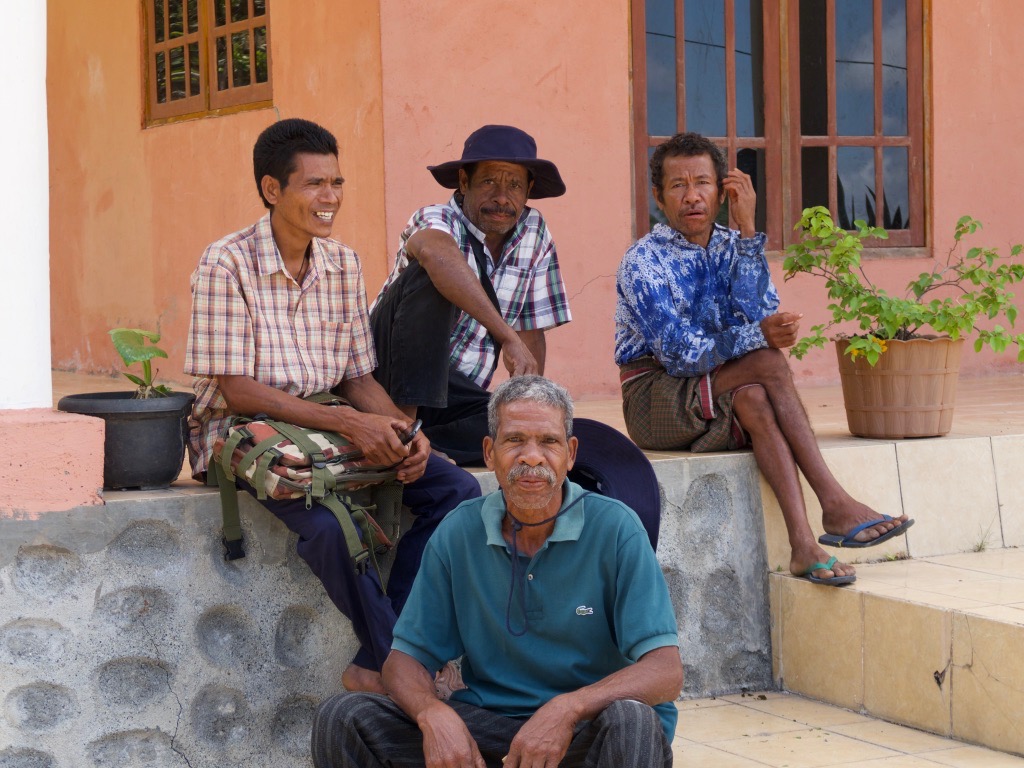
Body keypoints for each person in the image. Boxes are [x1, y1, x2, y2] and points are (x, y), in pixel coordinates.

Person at [185, 118, 480, 694]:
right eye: (315, 184)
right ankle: (401, 664)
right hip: (244, 431)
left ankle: (380, 661)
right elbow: (237, 390)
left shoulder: (342, 263)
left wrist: (401, 429)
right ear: (272, 189)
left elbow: (356, 376)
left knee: (458, 491)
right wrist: (349, 422)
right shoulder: (225, 263)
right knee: (326, 527)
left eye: (337, 182)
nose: (331, 197)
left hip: (321, 422)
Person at [312, 376, 682, 768]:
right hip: (489, 727)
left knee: (632, 721)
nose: (532, 457)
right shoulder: (459, 531)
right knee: (344, 718)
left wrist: (568, 708)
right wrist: (431, 713)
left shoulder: (617, 528)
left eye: (549, 441)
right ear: (489, 453)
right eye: (514, 440)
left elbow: (665, 671)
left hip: (583, 732)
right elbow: (403, 662)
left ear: (570, 453)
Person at [614, 132, 913, 587]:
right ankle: (833, 500)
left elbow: (761, 310)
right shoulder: (643, 260)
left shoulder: (733, 244)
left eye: (702, 183)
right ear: (659, 197)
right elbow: (678, 355)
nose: (692, 196)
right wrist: (759, 335)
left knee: (755, 396)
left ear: (722, 192)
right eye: (677, 185)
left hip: (722, 386)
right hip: (654, 399)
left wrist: (748, 231)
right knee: (767, 364)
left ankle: (804, 546)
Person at [370, 125, 572, 465]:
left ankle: (422, 443)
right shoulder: (436, 218)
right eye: (489, 181)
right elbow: (434, 253)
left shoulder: (534, 232)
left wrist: (531, 408)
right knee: (431, 273)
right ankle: (404, 432)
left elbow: (529, 332)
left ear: (528, 190)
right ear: (464, 182)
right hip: (386, 377)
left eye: (514, 185)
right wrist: (506, 336)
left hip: (454, 394)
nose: (502, 198)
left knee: (523, 433)